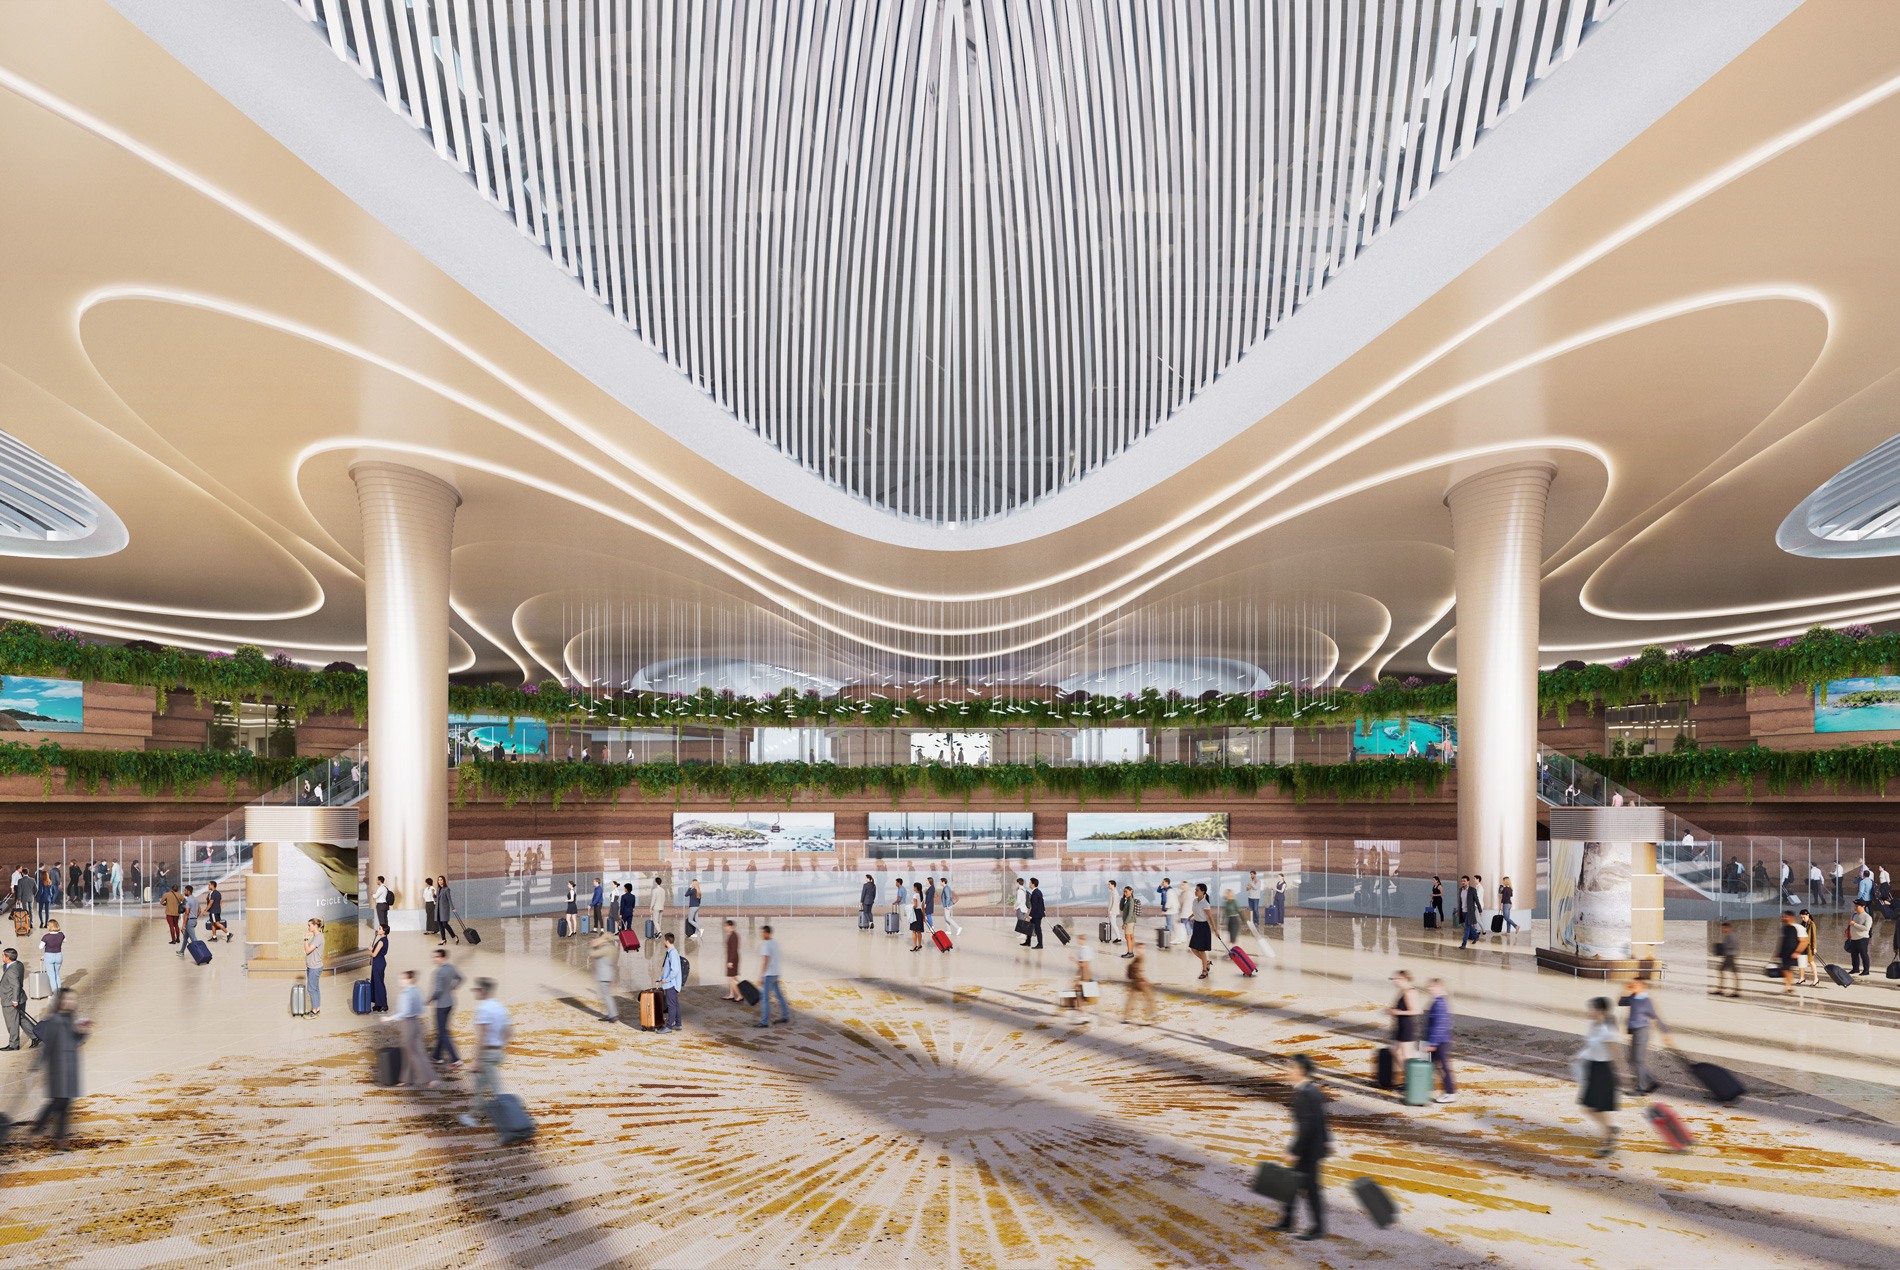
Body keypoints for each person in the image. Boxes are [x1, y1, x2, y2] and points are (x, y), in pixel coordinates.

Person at [1274, 1054, 1330, 1241]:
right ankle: (1288, 1222)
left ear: (1300, 1070)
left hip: (1308, 1151)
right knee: (1295, 1186)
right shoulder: (1312, 1091)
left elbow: (1308, 1125)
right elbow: (1321, 1119)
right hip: (1313, 1148)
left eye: (1291, 1067)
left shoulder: (1305, 1094)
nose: (1289, 1071)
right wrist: (1326, 1141)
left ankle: (1315, 1228)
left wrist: (1294, 1151)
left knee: (1308, 1189)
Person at [26, 987, 86, 1148]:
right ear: (59, 1001)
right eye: (66, 999)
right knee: (57, 1104)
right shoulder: (54, 1020)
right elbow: (48, 1046)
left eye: (72, 999)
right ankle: (49, 1135)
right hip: (58, 1070)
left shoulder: (69, 1019)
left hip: (69, 1069)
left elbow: (75, 1042)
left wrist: (83, 1032)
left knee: (62, 1104)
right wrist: (37, 1065)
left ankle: (50, 1136)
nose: (70, 1002)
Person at [457, 979, 513, 1127]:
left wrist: (476, 1060)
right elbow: (509, 1032)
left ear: (483, 991)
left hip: (486, 1055)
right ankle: (472, 1115)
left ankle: (510, 1120)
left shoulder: (483, 1009)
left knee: (495, 1089)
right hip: (497, 1053)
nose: (476, 992)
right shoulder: (501, 1008)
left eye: (477, 990)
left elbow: (482, 1036)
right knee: (481, 1086)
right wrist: (501, 1046)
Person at [1575, 998, 1621, 1155]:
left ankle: (1609, 1139)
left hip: (1603, 1071)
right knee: (1589, 1108)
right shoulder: (1594, 1025)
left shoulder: (1608, 1031)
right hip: (1593, 1069)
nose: (1589, 1011)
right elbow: (1592, 1047)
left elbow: (1616, 1054)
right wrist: (1581, 1055)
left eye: (1592, 1009)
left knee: (1596, 1109)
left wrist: (1623, 1077)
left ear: (1601, 1011)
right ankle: (1610, 1130)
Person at [1616, 980, 1672, 1094]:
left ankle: (1640, 1089)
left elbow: (1656, 1017)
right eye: (1633, 984)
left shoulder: (1646, 1001)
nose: (1634, 986)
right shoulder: (1632, 998)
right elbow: (1620, 1002)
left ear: (1643, 987)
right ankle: (1652, 1081)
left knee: (1638, 1060)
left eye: (1637, 984)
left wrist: (1665, 1033)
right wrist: (1625, 989)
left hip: (1642, 1032)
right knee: (1633, 1059)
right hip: (1635, 1032)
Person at [394, 971, 438, 1087]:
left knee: (412, 1053)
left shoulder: (405, 994)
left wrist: (390, 1018)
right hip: (417, 1023)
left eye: (402, 979)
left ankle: (429, 1079)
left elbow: (404, 1012)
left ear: (409, 980)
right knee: (413, 1052)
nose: (400, 981)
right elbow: (422, 1007)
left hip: (408, 1024)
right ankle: (406, 1079)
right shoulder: (418, 991)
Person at [430, 947, 463, 1067]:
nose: (435, 959)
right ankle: (436, 1056)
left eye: (437, 957)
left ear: (443, 957)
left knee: (443, 1033)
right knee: (442, 1030)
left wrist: (430, 999)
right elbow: (461, 978)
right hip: (450, 1003)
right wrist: (454, 987)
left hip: (441, 1005)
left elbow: (437, 990)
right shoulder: (451, 968)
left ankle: (455, 1059)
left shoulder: (439, 972)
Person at [754, 923, 791, 1027]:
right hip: (776, 973)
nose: (761, 935)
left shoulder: (765, 944)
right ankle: (785, 1016)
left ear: (767, 933)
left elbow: (765, 960)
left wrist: (761, 976)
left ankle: (764, 1022)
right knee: (779, 996)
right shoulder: (776, 943)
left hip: (768, 974)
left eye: (762, 933)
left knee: (765, 998)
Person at [1424, 979, 1455, 1102]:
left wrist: (1432, 1043)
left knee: (1442, 1067)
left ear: (1440, 988)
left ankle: (1450, 1092)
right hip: (1438, 1040)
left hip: (1440, 1042)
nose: (1429, 988)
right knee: (1432, 1066)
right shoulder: (1437, 1001)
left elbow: (1439, 1025)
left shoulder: (1440, 1003)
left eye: (1432, 986)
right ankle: (1423, 1088)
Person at [1, 947, 37, 1050]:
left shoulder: (11, 970)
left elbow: (15, 985)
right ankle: (35, 1036)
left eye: (3, 955)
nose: (2, 956)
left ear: (7, 957)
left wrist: (14, 1000)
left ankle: (14, 1044)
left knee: (11, 1022)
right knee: (21, 1019)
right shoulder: (18, 964)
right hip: (21, 997)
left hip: (11, 1000)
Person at [1387, 970, 1421, 1072]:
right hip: (1401, 1026)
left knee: (1407, 1055)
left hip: (1408, 1026)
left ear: (1404, 979)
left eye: (1396, 979)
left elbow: (1417, 1011)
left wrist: (1398, 1012)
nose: (1394, 981)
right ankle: (1410, 1077)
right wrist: (1392, 1010)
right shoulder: (1402, 991)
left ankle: (1412, 1080)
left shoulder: (1410, 992)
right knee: (1396, 1052)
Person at [1121, 938, 1157, 1023]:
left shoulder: (1137, 958)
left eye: (1143, 948)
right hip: (1140, 981)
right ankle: (1151, 1014)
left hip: (1135, 981)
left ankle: (1127, 1017)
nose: (1143, 950)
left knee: (1131, 998)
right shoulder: (1141, 958)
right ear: (1137, 949)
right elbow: (1138, 970)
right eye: (1141, 948)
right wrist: (1142, 980)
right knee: (1150, 997)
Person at [588, 932, 620, 1021]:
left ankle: (613, 1015)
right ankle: (611, 1014)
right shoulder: (612, 948)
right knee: (607, 995)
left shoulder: (606, 948)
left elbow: (592, 954)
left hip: (604, 975)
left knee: (606, 996)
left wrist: (592, 946)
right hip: (609, 974)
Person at [1187, 883, 1214, 979]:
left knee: (1202, 950)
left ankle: (1204, 971)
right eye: (1195, 890)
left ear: (1203, 892)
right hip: (1196, 926)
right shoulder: (1195, 901)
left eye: (1197, 890)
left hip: (1203, 927)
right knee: (1193, 948)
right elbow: (1195, 911)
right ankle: (1206, 962)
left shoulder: (1205, 903)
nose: (1195, 891)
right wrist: (1190, 916)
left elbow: (1210, 917)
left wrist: (1215, 930)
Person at [658, 933, 684, 1032]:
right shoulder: (671, 952)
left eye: (664, 940)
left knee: (671, 1005)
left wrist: (667, 979)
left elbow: (675, 970)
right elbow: (668, 969)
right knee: (675, 1004)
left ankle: (669, 1026)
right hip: (672, 983)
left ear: (667, 941)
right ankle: (678, 1024)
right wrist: (662, 977)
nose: (664, 942)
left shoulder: (672, 953)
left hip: (671, 984)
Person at [1069, 929, 1095, 1020]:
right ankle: (1082, 1009)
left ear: (1082, 940)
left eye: (1079, 940)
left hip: (1084, 973)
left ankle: (1083, 1012)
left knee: (1079, 990)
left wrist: (1074, 960)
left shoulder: (1084, 950)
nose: (1078, 941)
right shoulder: (1087, 949)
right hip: (1084, 972)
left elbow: (1084, 964)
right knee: (1079, 990)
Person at [301, 918, 324, 1015]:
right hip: (312, 966)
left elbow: (307, 950)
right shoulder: (315, 937)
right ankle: (317, 1008)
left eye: (309, 925)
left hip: (315, 967)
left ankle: (314, 1010)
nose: (308, 927)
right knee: (315, 988)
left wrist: (305, 939)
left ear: (315, 926)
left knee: (311, 989)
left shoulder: (318, 937)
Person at [1711, 920, 1740, 997]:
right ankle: (1734, 990)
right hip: (1729, 956)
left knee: (1721, 970)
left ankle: (1722, 989)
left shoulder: (1730, 935)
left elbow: (1733, 946)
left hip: (1729, 956)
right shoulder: (1729, 935)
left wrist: (1723, 947)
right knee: (1733, 972)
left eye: (1724, 928)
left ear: (1728, 928)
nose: (1722, 930)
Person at [1846, 901, 1874, 977]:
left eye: (1857, 906)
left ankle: (1866, 970)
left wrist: (1854, 924)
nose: (1855, 908)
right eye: (1855, 906)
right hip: (1854, 938)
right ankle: (1855, 968)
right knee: (1854, 954)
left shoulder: (1867, 917)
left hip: (1863, 938)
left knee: (1863, 954)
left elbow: (1866, 928)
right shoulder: (1854, 915)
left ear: (1863, 906)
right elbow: (1851, 925)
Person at [38, 920, 64, 996]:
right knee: (57, 974)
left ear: (50, 927)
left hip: (49, 956)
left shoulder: (46, 936)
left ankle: (55, 993)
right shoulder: (61, 934)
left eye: (48, 925)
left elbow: (40, 947)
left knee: (51, 975)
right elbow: (64, 941)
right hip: (59, 955)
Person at [175, 885, 202, 958]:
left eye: (185, 890)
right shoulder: (196, 900)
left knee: (193, 938)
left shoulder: (188, 900)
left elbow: (186, 913)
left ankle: (201, 954)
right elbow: (199, 911)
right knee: (185, 937)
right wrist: (195, 917)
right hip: (194, 920)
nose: (184, 892)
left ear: (188, 891)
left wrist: (183, 925)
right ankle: (181, 951)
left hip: (189, 922)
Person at [1798, 908, 1822, 986]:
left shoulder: (1812, 924)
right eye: (1801, 917)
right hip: (1802, 945)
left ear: (1807, 915)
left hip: (1809, 946)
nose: (1802, 919)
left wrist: (1814, 947)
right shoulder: (1802, 924)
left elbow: (1814, 937)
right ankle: (1801, 977)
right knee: (1801, 962)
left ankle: (1816, 978)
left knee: (1811, 962)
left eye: (1804, 917)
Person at [1458, 876, 1483, 949]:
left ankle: (1464, 944)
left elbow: (1477, 900)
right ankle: (1476, 936)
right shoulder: (1460, 890)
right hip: (1463, 911)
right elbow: (1460, 902)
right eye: (1462, 881)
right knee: (1468, 926)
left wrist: (1480, 910)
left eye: (1464, 881)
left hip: (1470, 912)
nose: (1463, 882)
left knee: (1466, 928)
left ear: (1468, 881)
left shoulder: (1472, 890)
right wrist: (1458, 911)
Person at [436, 877, 461, 945]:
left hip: (444, 909)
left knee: (445, 924)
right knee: (440, 925)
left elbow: (449, 899)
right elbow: (437, 899)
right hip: (438, 909)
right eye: (438, 880)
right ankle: (443, 939)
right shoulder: (437, 889)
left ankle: (454, 937)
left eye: (441, 880)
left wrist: (453, 908)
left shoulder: (447, 889)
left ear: (444, 880)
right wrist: (434, 896)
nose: (439, 881)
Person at [1022, 877, 1046, 949]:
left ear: (1033, 884)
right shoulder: (1038, 891)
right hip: (1038, 913)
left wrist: (1030, 915)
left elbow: (1035, 906)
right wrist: (1043, 910)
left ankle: (1040, 944)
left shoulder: (1035, 893)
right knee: (1030, 927)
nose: (1029, 884)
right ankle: (1028, 942)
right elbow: (1042, 902)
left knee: (1037, 929)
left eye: (1030, 883)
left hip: (1036, 914)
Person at [1118, 885, 1141, 956]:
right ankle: (1131, 951)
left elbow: (1130, 913)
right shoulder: (1127, 900)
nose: (1125, 893)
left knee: (1127, 937)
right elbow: (1121, 908)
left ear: (1131, 892)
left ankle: (1130, 952)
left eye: (1126, 891)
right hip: (1130, 921)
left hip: (1129, 921)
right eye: (1124, 892)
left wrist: (1125, 923)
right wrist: (1123, 898)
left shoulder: (1131, 901)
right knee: (1131, 936)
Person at [722, 919, 742, 1001]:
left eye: (726, 926)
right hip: (731, 958)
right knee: (731, 978)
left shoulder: (734, 936)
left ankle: (740, 995)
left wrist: (730, 961)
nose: (725, 927)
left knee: (733, 979)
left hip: (733, 959)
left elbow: (734, 949)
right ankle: (731, 994)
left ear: (730, 926)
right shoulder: (731, 935)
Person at [908, 882, 926, 952]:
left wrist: (910, 907)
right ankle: (919, 945)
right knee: (919, 931)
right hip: (920, 913)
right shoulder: (922, 896)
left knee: (913, 931)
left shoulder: (915, 895)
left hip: (915, 913)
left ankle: (914, 946)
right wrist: (924, 917)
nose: (913, 888)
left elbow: (915, 906)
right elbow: (922, 907)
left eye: (913, 886)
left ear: (916, 888)